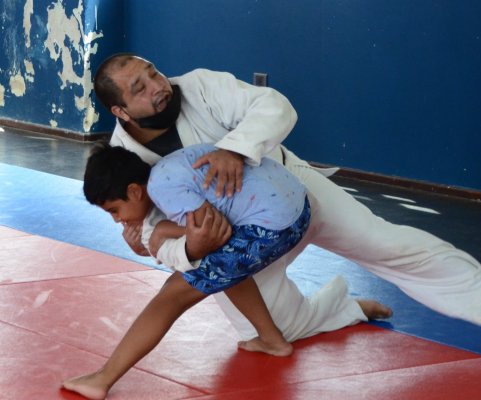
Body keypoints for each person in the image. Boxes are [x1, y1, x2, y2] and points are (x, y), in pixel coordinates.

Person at [96, 53, 481, 330]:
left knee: (384, 242)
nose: (158, 86)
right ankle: (347, 309)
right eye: (140, 88)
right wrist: (172, 244)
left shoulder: (200, 86)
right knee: (265, 328)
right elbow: (151, 225)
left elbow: (275, 106)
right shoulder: (123, 156)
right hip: (241, 234)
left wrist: (235, 148)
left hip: (292, 191)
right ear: (120, 111)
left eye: (152, 72)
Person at [63, 142, 392, 399]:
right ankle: (273, 340)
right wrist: (160, 233)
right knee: (223, 266)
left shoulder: (163, 189)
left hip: (274, 225)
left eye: (114, 210)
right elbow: (214, 237)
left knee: (171, 296)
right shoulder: (166, 169)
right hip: (297, 209)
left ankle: (103, 378)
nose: (118, 220)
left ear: (135, 191)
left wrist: (164, 232)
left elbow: (214, 231)